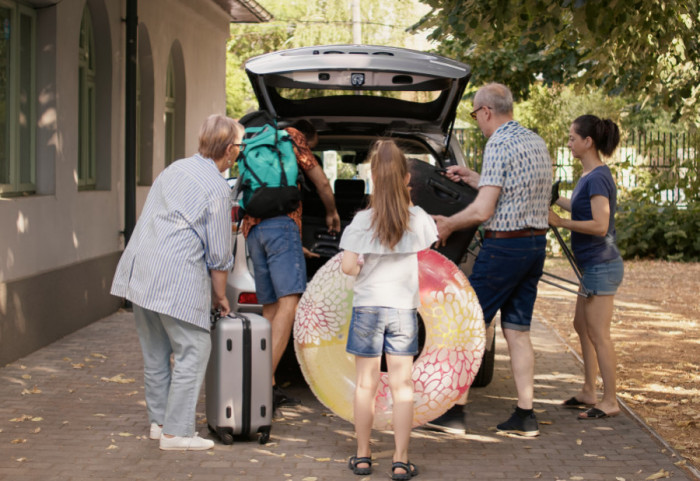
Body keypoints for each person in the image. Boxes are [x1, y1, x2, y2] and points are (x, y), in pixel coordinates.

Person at [110, 114, 243, 450]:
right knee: (194, 349)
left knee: (156, 354)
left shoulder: (175, 169)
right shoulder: (216, 187)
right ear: (229, 150)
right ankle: (177, 433)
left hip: (141, 271)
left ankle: (158, 424)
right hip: (175, 278)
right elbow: (218, 253)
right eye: (239, 147)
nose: (238, 154)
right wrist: (220, 296)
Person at [430, 83, 552, 437]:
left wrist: (449, 224)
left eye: (476, 115)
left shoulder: (497, 142)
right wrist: (472, 177)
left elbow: (484, 209)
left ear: (485, 111)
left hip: (504, 249)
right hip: (533, 246)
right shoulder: (534, 141)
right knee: (517, 330)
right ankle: (525, 415)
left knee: (468, 325)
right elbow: (510, 189)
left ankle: (454, 412)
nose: (479, 121)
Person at [340, 139, 436, 480]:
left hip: (368, 309)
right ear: (407, 177)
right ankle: (400, 459)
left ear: (372, 175)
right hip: (402, 312)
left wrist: (364, 260)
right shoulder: (418, 219)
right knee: (402, 386)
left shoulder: (362, 221)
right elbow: (428, 247)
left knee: (365, 385)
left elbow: (349, 267)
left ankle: (363, 456)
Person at [241, 118, 341, 409]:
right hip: (282, 226)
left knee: (270, 307)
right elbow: (321, 181)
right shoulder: (295, 138)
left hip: (253, 230)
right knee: (290, 303)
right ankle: (259, 383)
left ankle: (269, 388)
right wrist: (332, 212)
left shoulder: (260, 139)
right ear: (309, 137)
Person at [548, 115, 624, 419]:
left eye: (572, 138)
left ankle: (610, 400)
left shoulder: (597, 178)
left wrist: (560, 221)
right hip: (592, 266)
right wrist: (553, 200)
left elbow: (600, 224)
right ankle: (589, 390)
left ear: (587, 142)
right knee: (582, 326)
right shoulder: (589, 175)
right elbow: (582, 208)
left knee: (599, 333)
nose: (569, 144)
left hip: (601, 266)